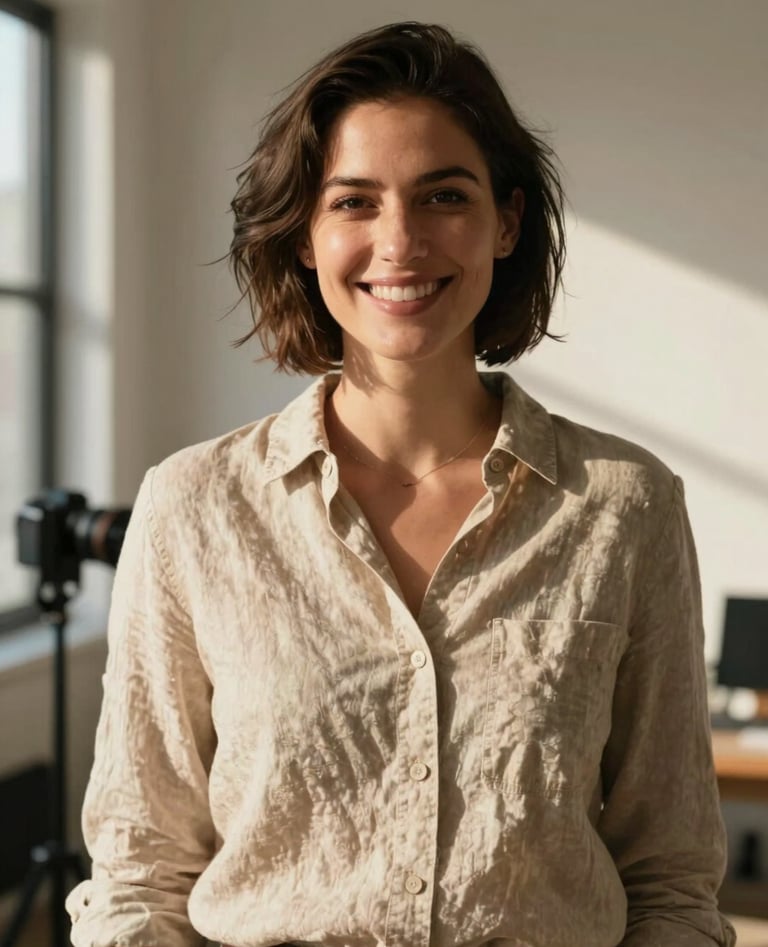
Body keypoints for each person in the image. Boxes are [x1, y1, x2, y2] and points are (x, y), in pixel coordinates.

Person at [66, 21, 735, 947]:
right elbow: (140, 874)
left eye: (442, 196)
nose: (401, 241)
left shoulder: (628, 505)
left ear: (504, 220)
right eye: (354, 202)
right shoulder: (193, 508)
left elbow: (670, 876)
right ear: (304, 234)